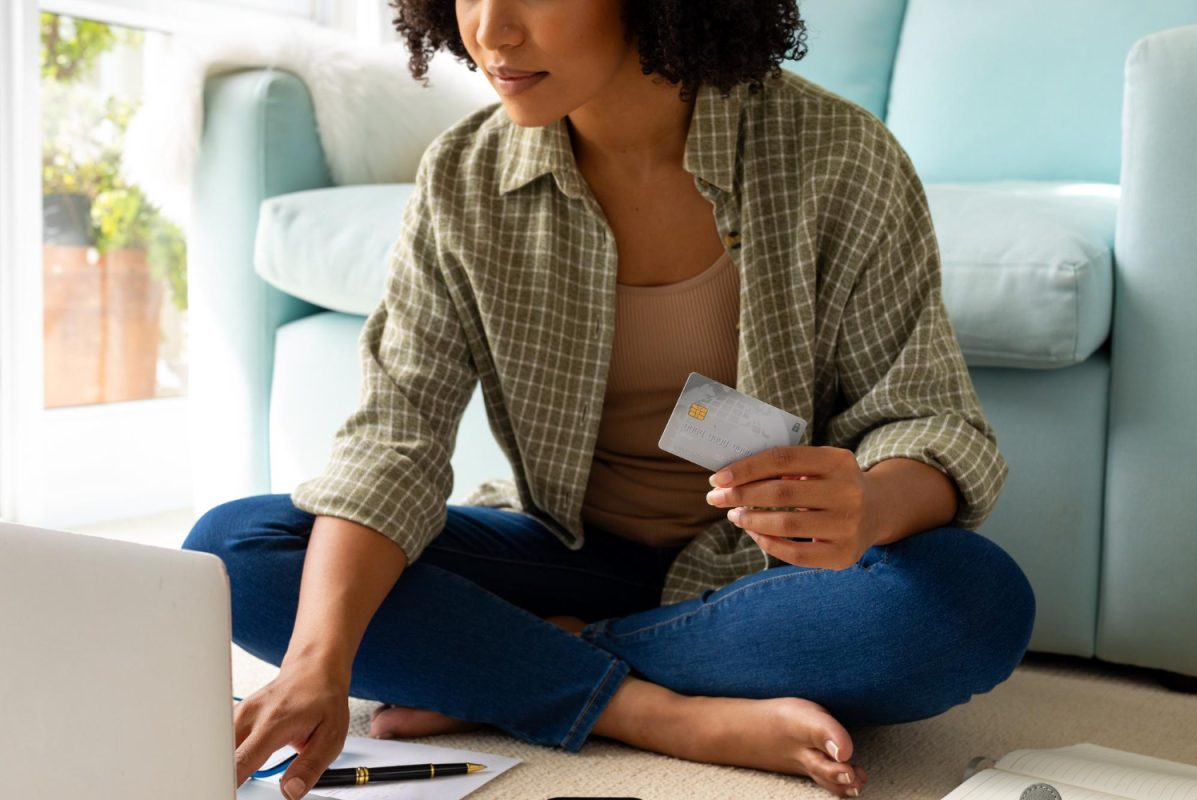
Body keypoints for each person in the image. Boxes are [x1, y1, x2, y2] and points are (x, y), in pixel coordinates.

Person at [183, 1, 1037, 798]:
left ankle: (519, 668)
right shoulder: (465, 178)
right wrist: (316, 662)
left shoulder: (838, 155)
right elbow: (390, 443)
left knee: (971, 603)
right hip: (567, 550)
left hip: (768, 577)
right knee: (235, 552)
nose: (491, 30)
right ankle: (659, 712)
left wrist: (873, 502)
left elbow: (933, 420)